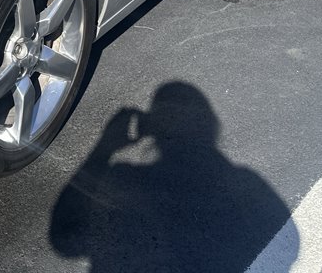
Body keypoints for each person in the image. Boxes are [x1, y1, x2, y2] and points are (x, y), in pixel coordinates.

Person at [51, 82, 297, 272]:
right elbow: (287, 247)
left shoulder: (124, 181)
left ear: (151, 130)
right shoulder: (245, 184)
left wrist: (104, 148)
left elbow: (63, 240)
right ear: (211, 126)